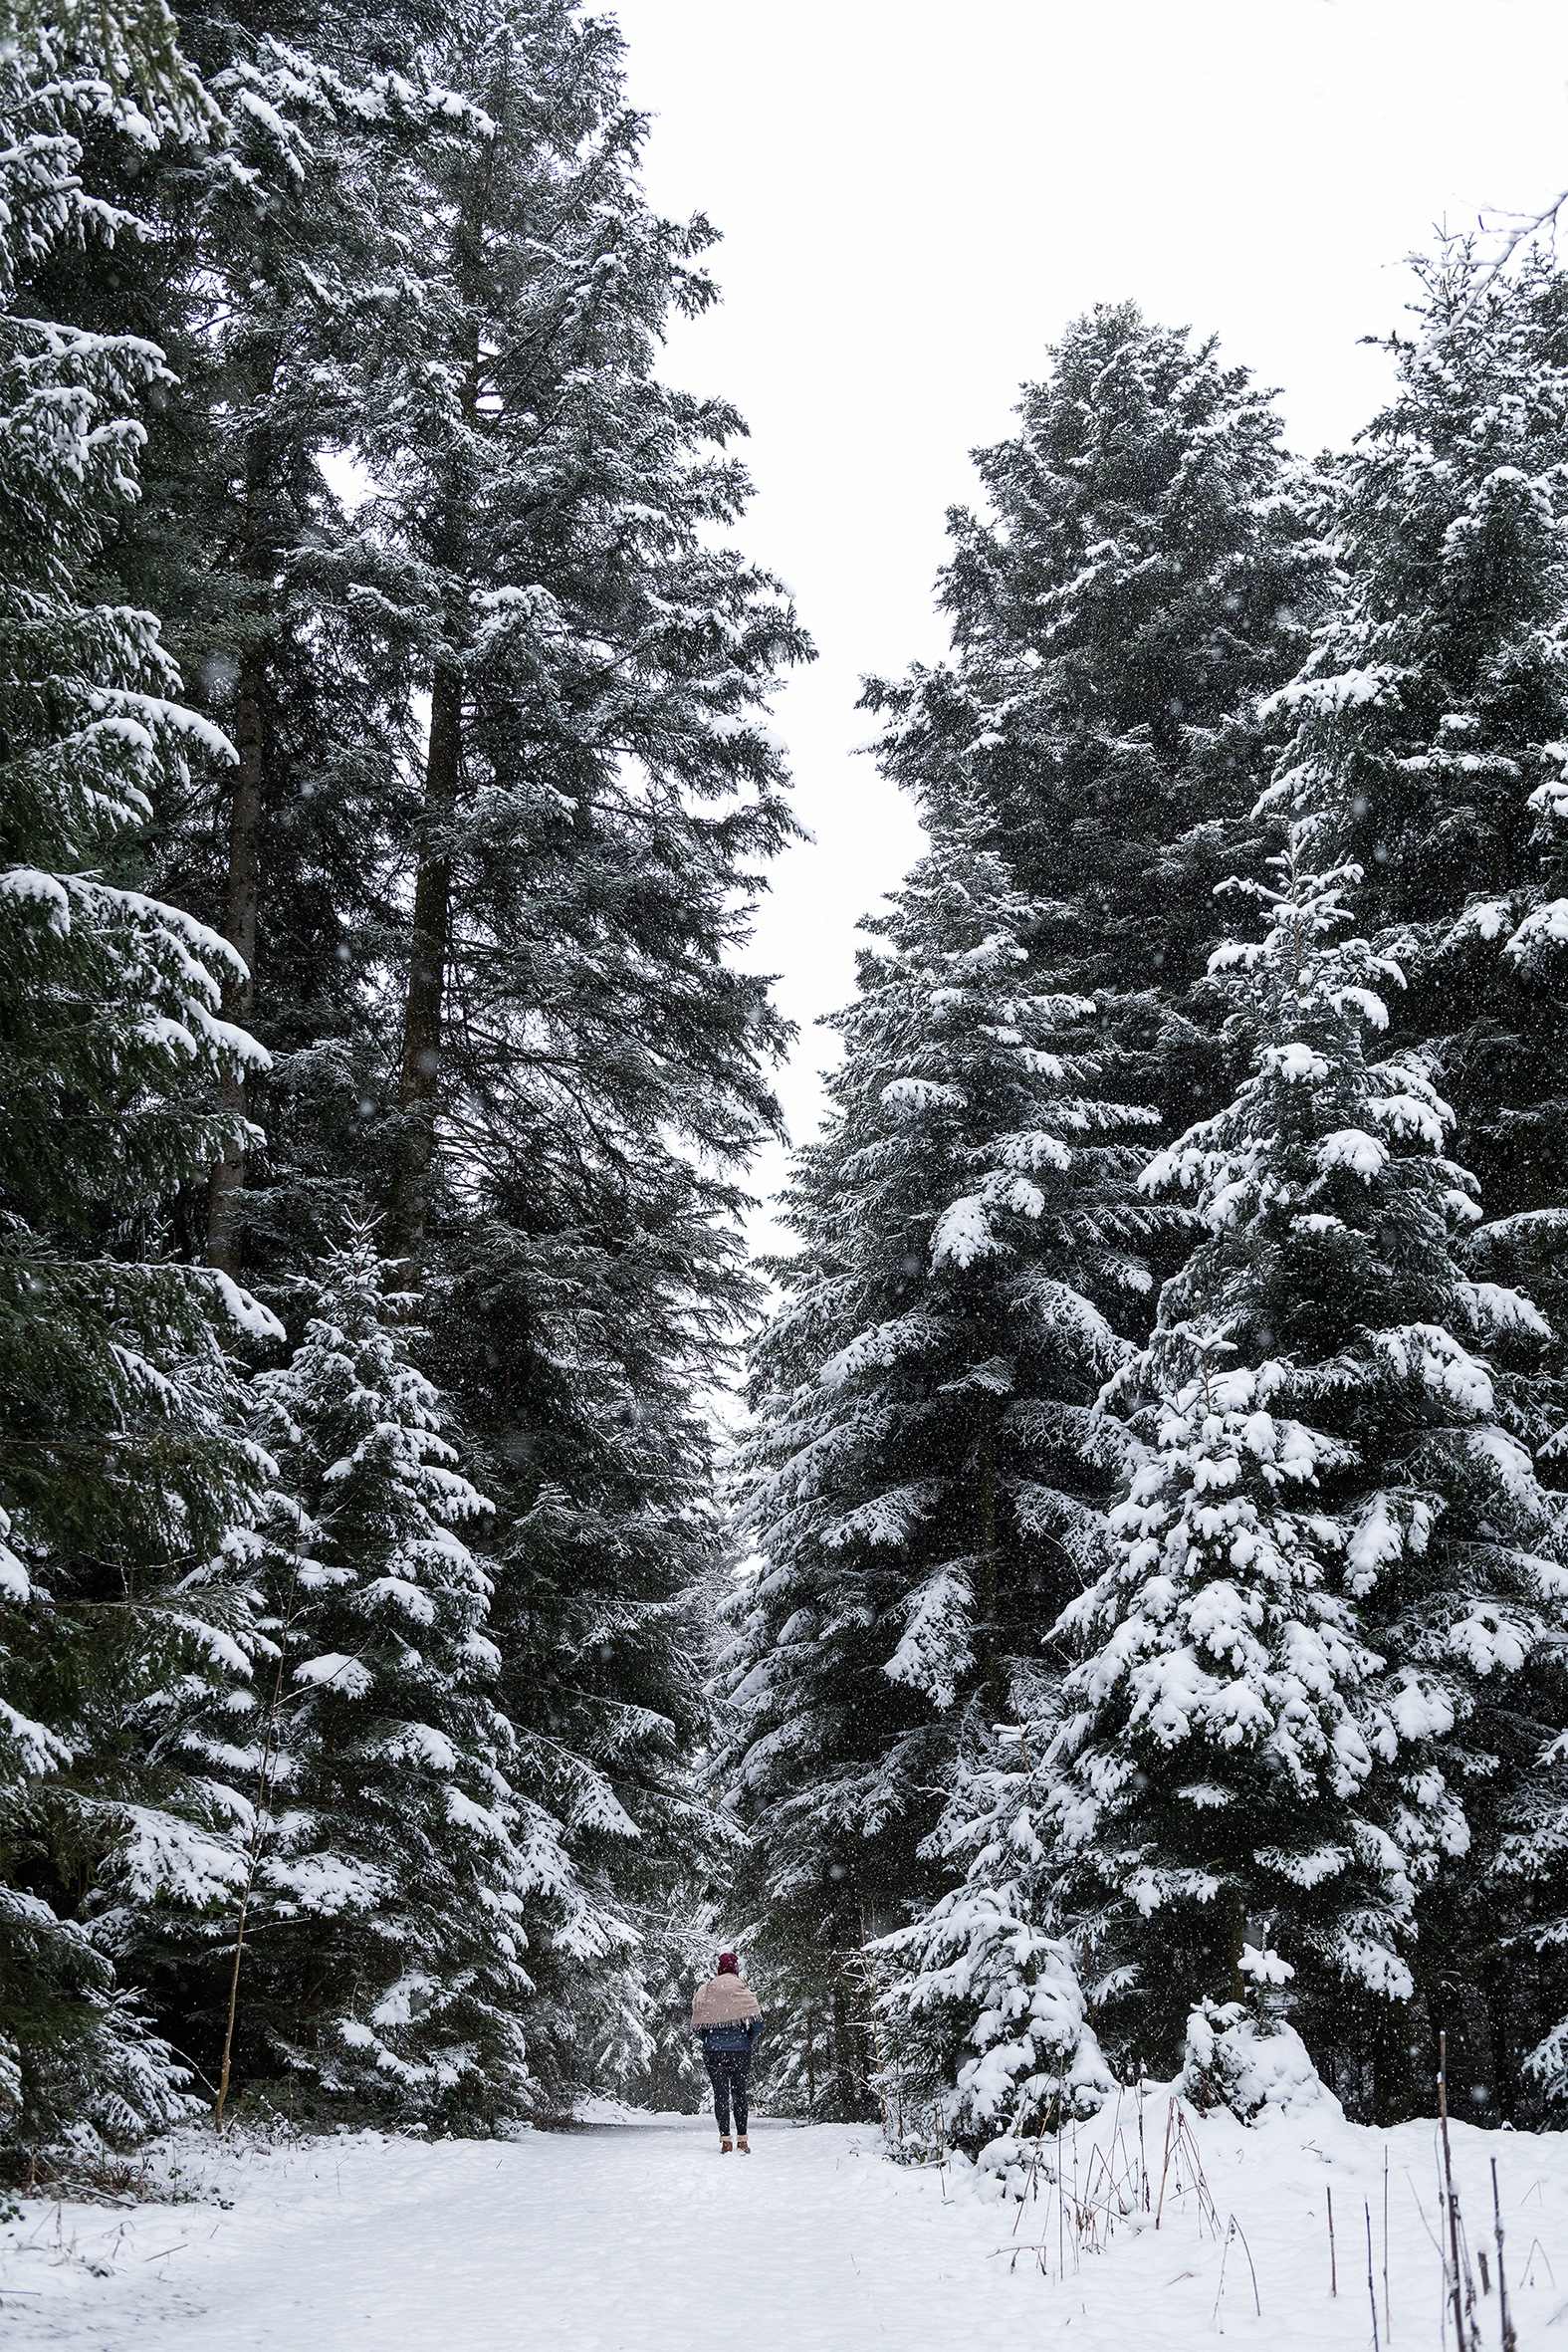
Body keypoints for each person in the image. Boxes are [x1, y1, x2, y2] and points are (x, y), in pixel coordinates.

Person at [691, 1952, 763, 2152]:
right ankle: (742, 2140)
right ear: (735, 1968)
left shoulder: (707, 1989)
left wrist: (709, 2039)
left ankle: (725, 2141)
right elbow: (757, 2022)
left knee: (720, 2095)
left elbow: (697, 2026)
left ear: (719, 1969)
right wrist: (747, 2037)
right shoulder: (742, 1988)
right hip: (740, 2051)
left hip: (713, 2052)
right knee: (739, 2094)